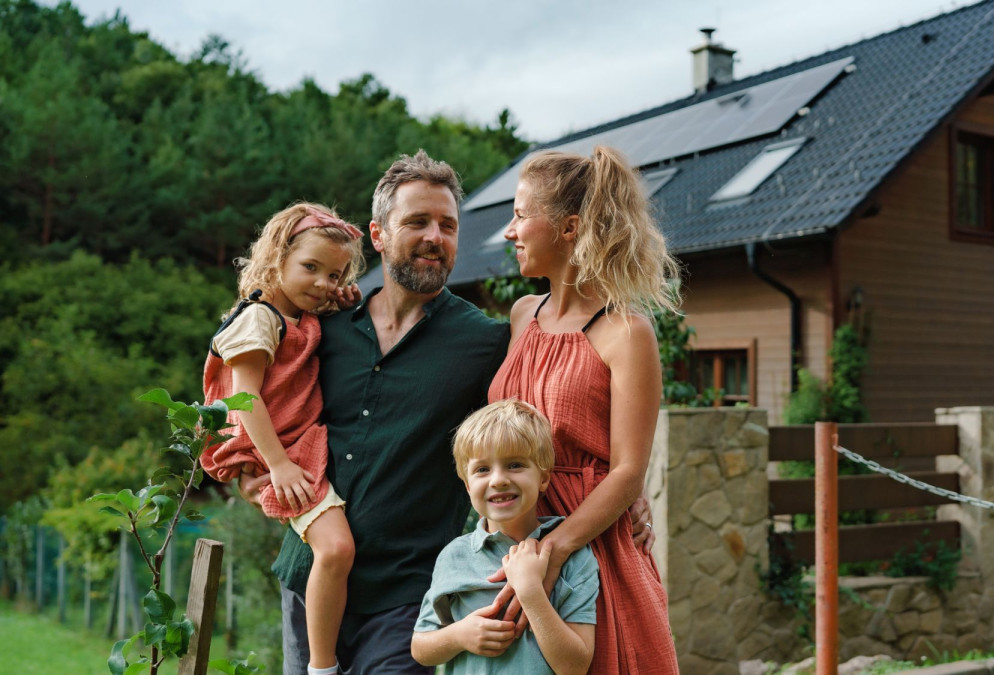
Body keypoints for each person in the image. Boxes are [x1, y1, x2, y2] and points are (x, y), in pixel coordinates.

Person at [238, 150, 511, 674]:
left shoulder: (484, 342)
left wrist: (629, 491)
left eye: (448, 225)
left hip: (409, 596)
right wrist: (253, 469)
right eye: (417, 221)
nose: (435, 236)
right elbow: (250, 393)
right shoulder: (321, 327)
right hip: (309, 579)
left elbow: (536, 429)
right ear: (379, 234)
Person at [487, 145, 681, 673]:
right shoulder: (523, 314)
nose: (510, 231)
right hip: (512, 530)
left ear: (569, 228)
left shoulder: (627, 332)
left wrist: (553, 552)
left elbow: (627, 470)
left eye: (522, 216)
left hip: (591, 547)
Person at [202, 203, 366, 675]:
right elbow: (245, 398)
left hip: (291, 447)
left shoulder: (297, 314)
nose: (322, 283)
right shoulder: (259, 319)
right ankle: (321, 666)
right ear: (276, 258)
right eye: (310, 268)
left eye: (334, 275)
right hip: (277, 451)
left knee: (331, 550)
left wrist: (343, 301)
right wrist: (277, 465)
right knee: (336, 549)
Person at [412, 398, 598, 674]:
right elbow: (420, 648)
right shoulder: (455, 555)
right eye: (482, 469)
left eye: (514, 465)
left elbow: (575, 666)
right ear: (467, 485)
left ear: (543, 478)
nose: (498, 479)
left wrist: (532, 592)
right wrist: (459, 635)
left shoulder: (574, 555)